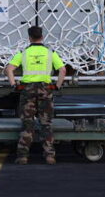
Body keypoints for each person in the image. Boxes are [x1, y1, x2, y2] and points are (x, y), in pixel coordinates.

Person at [5, 26, 67, 165]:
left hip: (28, 90)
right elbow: (62, 70)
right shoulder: (50, 53)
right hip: (45, 89)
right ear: (42, 37)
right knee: (46, 124)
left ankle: (23, 156)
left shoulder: (24, 53)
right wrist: (57, 85)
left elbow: (9, 69)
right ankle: (49, 156)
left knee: (27, 124)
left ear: (29, 38)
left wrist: (13, 84)